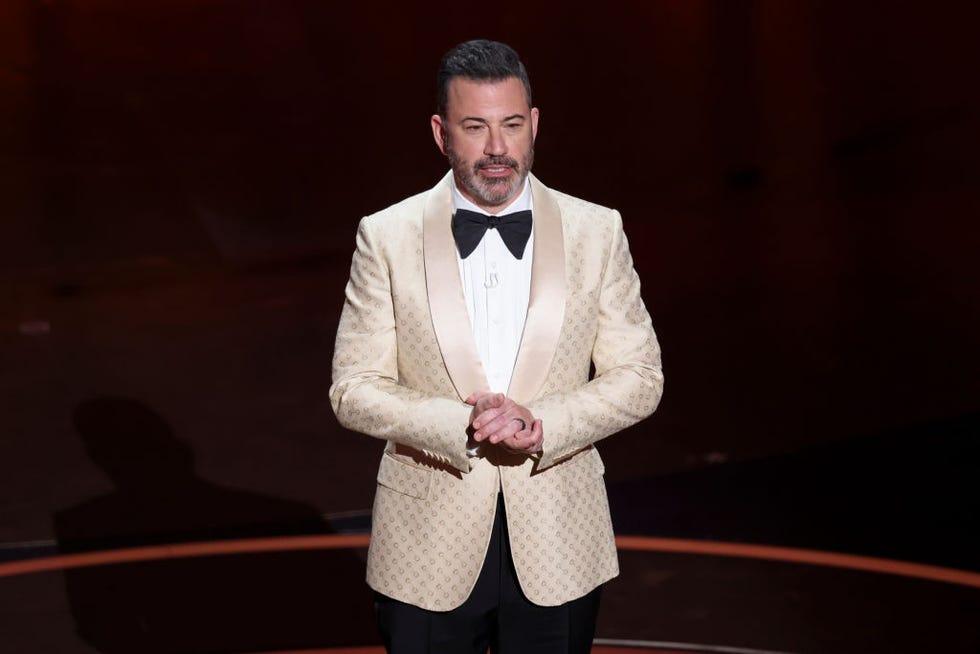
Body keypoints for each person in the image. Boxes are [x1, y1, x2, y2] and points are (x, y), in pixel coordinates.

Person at [330, 39, 663, 654]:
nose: (497, 149)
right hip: (425, 547)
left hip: (560, 541)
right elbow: (352, 390)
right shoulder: (385, 236)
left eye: (511, 125)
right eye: (475, 127)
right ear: (441, 133)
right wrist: (463, 423)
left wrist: (545, 422)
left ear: (534, 123)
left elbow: (640, 375)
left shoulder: (598, 230)